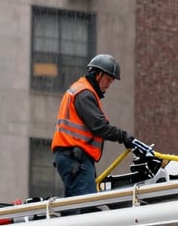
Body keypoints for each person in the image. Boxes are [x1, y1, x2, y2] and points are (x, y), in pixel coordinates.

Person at [52, 54, 135, 197]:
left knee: (74, 207)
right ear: (98, 74)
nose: (109, 84)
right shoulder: (85, 94)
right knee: (87, 206)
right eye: (108, 80)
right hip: (74, 158)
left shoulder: (82, 90)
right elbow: (99, 126)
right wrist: (124, 137)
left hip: (72, 157)